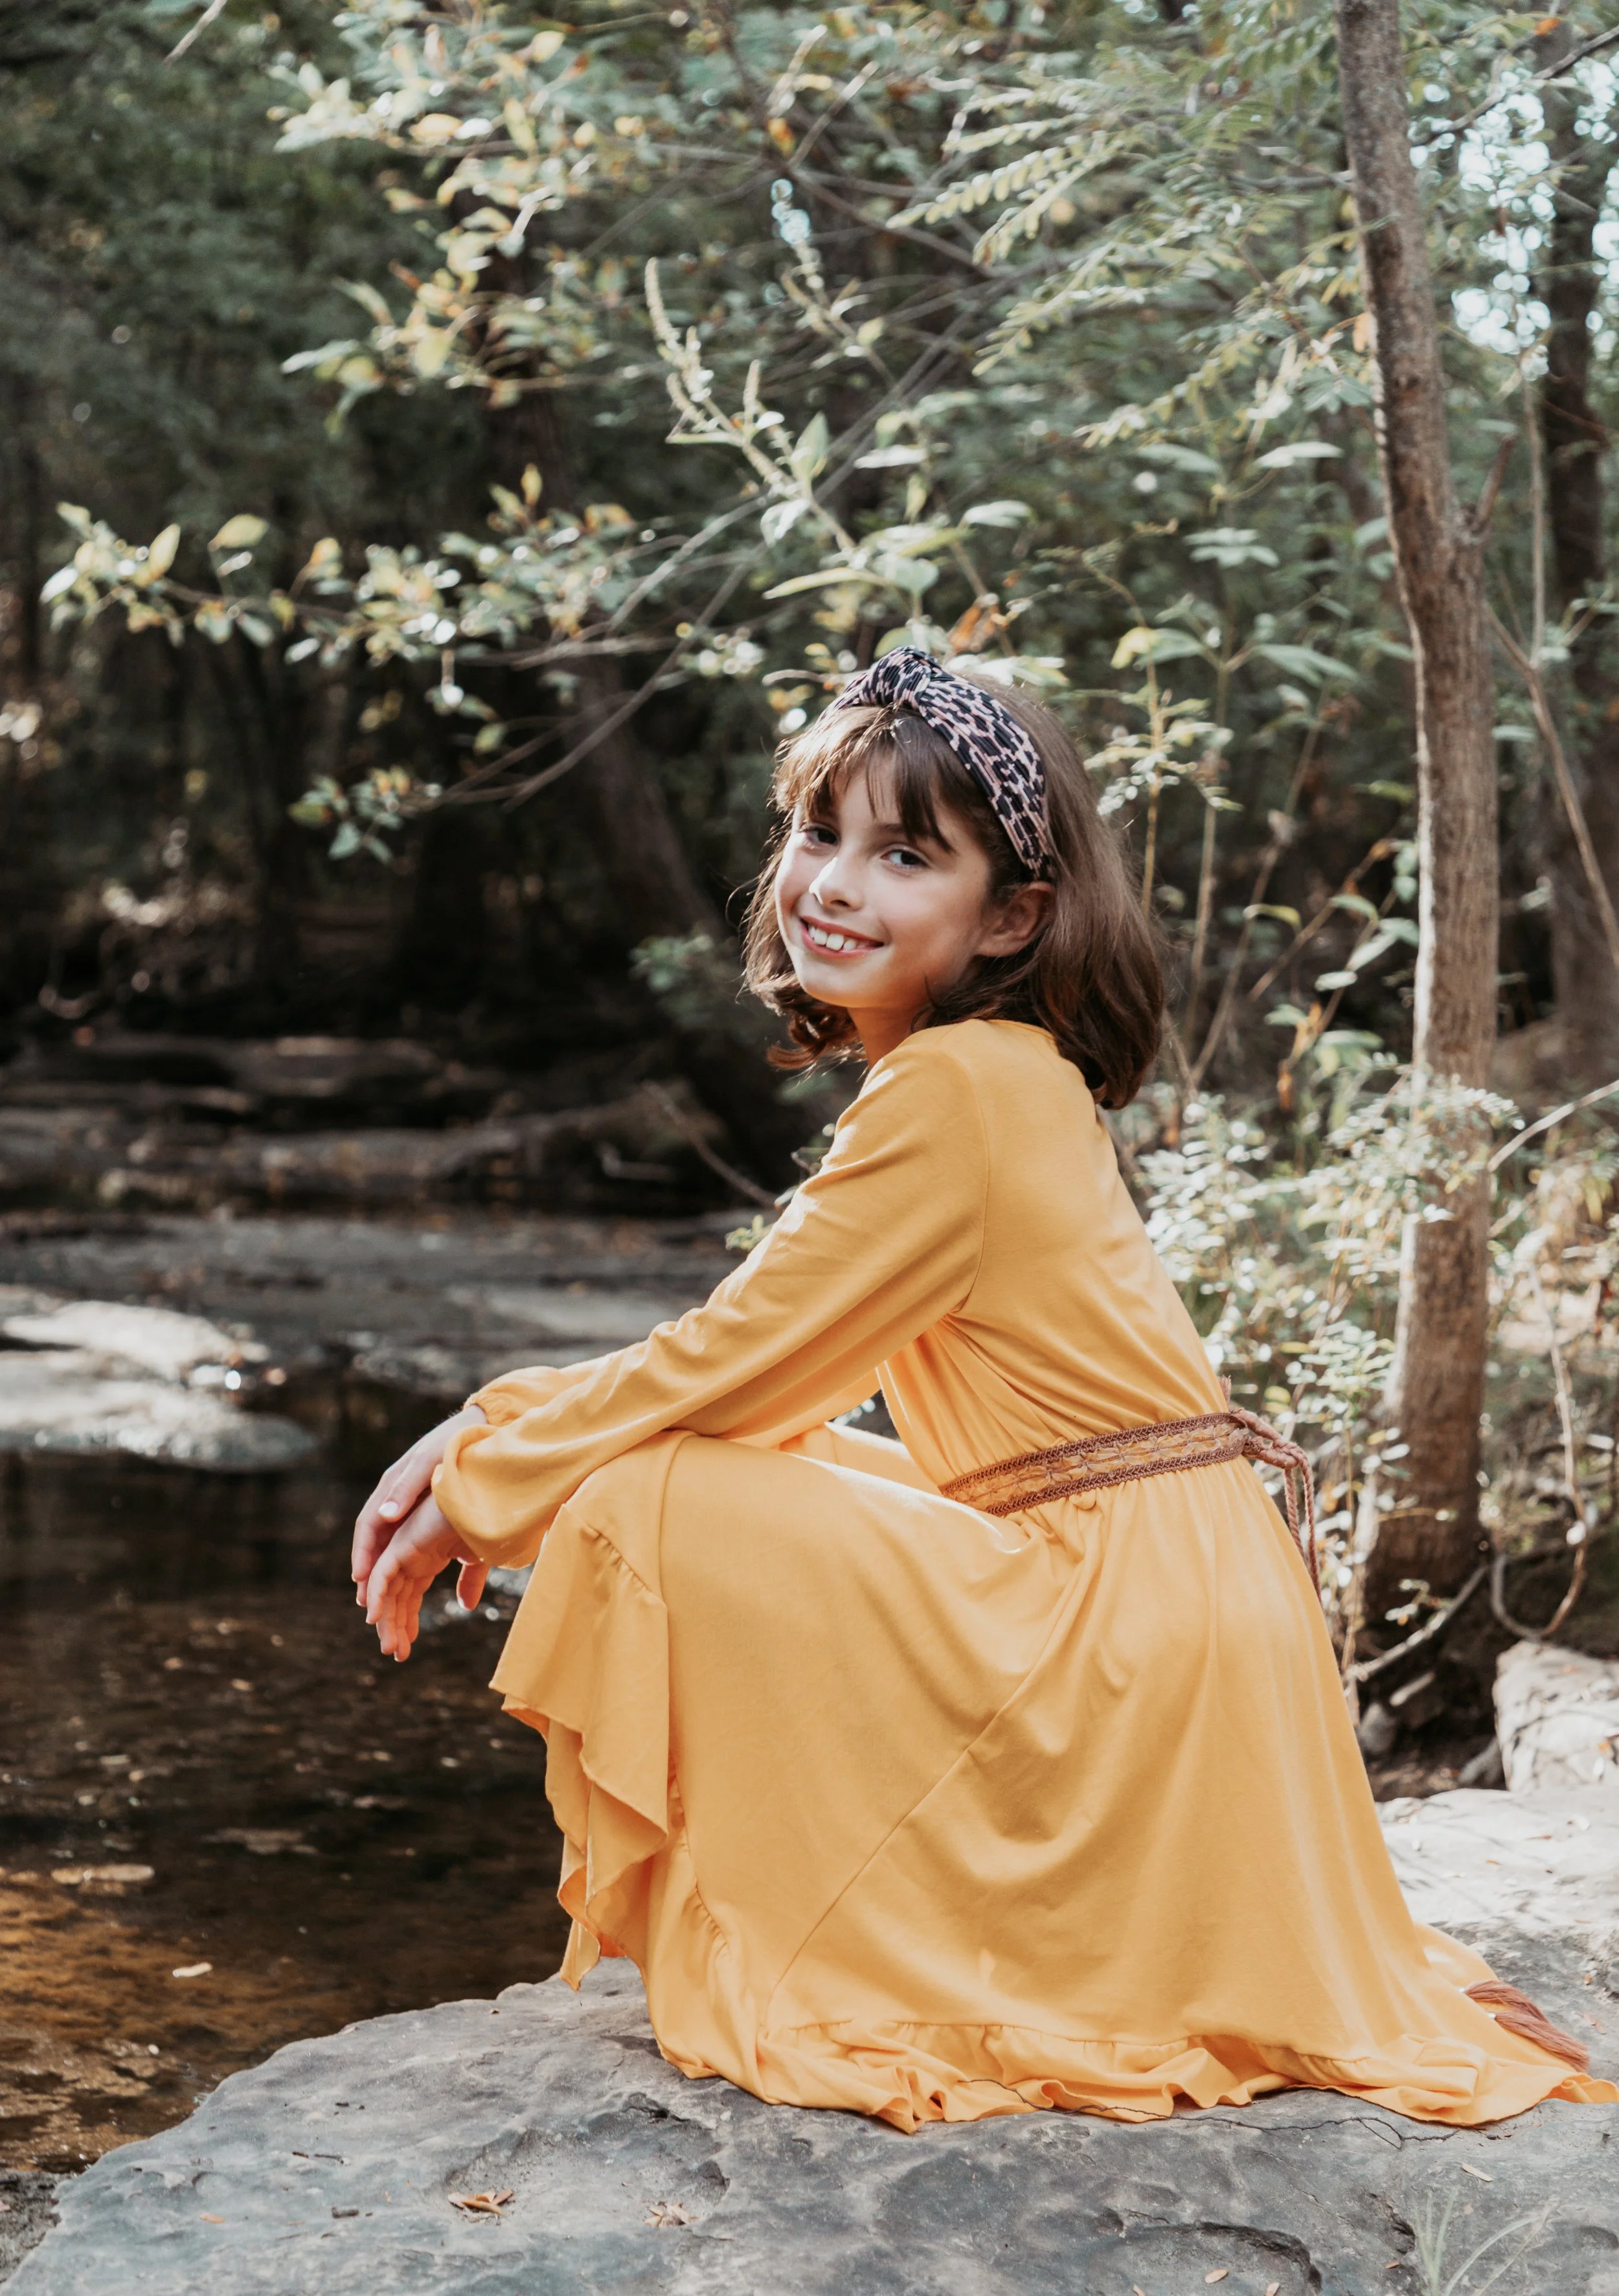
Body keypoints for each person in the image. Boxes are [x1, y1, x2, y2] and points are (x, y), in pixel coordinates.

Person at [352, 648, 1612, 2131]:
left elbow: (722, 1361)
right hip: (1172, 1594)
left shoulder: (958, 1090)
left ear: (1011, 913)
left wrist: (479, 1459)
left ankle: (877, 1934)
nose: (833, 883)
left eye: (903, 855)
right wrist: (502, 1449)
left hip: (1124, 1630)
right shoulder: (997, 1072)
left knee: (644, 1495)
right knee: (732, 1467)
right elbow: (767, 1391)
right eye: (818, 835)